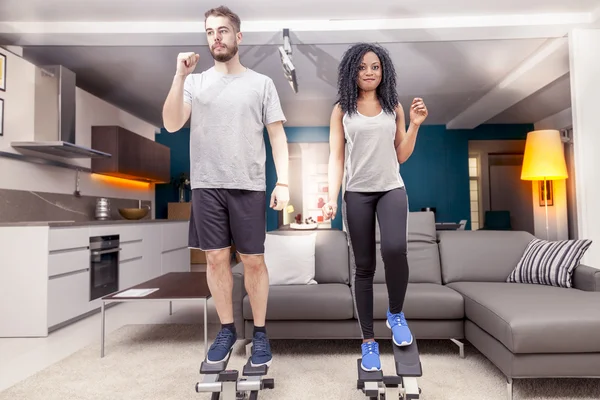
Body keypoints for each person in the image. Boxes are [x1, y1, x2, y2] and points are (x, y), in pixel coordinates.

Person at [162, 5, 290, 368]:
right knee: (216, 259)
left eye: (222, 30)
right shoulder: (195, 83)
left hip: (249, 185)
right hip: (207, 186)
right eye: (209, 32)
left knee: (253, 261)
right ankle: (227, 328)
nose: (215, 36)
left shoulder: (261, 84)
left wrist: (283, 181)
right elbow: (172, 124)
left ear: (238, 36)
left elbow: (277, 136)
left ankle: (261, 333)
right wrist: (179, 76)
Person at [322, 43, 428, 372]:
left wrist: (414, 124)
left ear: (384, 72)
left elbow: (401, 154)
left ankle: (395, 314)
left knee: (396, 249)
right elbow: (336, 157)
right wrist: (330, 196)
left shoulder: (391, 105)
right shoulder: (342, 109)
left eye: (376, 66)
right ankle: (368, 341)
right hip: (357, 193)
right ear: (352, 71)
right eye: (363, 67)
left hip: (391, 188)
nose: (370, 72)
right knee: (364, 267)